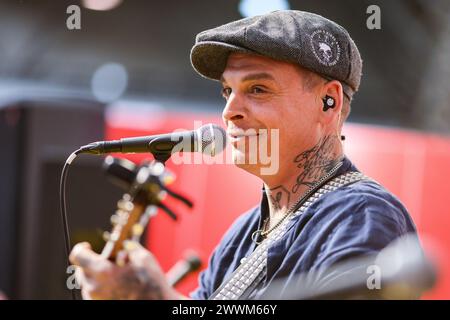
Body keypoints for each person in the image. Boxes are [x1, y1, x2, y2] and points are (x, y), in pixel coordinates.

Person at [69, 10, 417, 300]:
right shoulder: (244, 231)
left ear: (329, 102)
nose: (229, 111)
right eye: (227, 91)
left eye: (257, 89)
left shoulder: (362, 216)